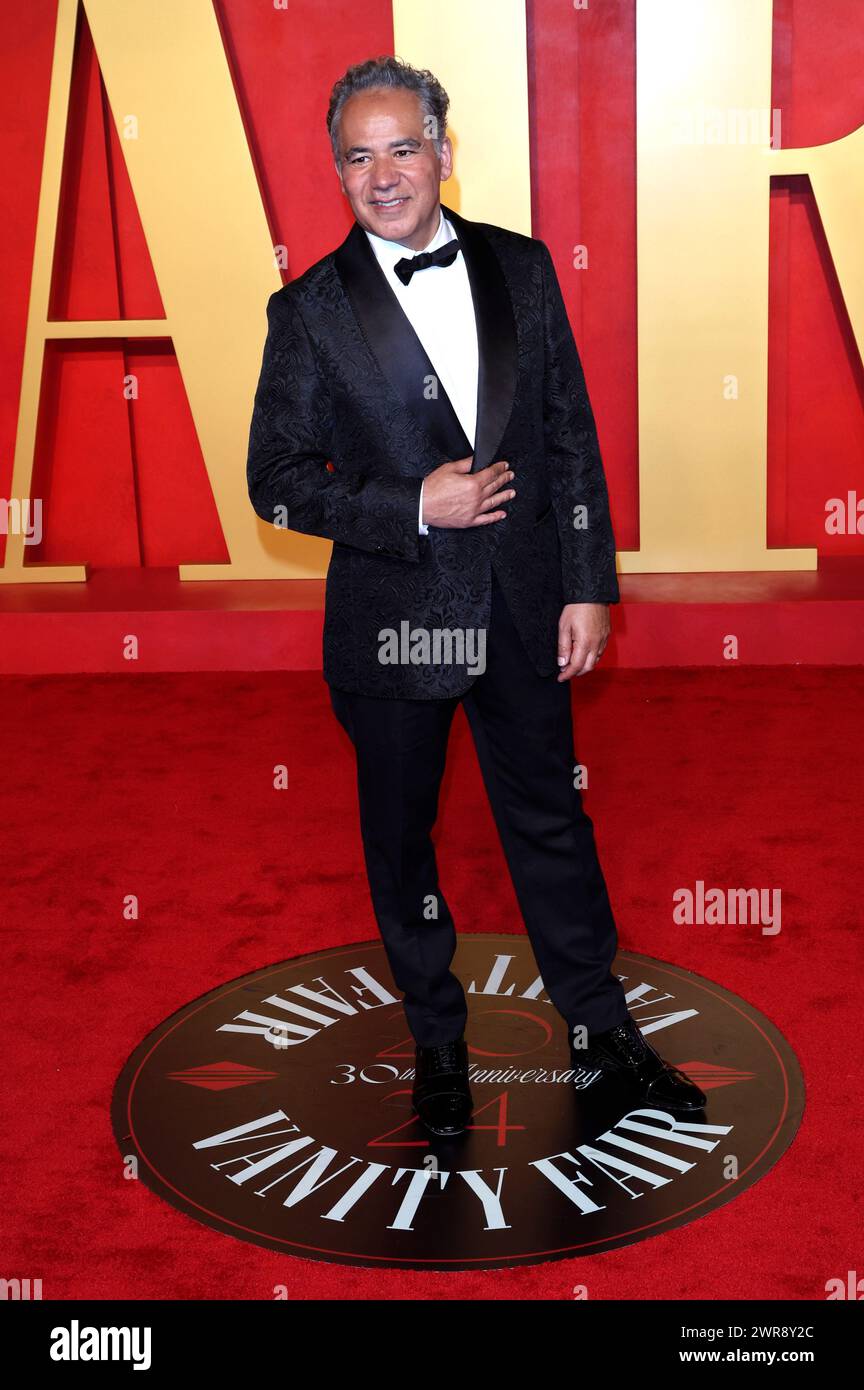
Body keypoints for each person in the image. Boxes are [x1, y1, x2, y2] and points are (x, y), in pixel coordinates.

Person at [247, 55, 706, 1136]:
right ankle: (440, 1049)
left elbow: (568, 436)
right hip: (390, 621)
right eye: (358, 157)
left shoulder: (523, 268)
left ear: (443, 155)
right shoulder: (308, 309)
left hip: (522, 603)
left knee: (551, 822)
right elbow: (276, 480)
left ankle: (602, 1038)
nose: (383, 175)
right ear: (340, 173)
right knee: (404, 845)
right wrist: (414, 504)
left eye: (402, 148)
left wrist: (590, 585)